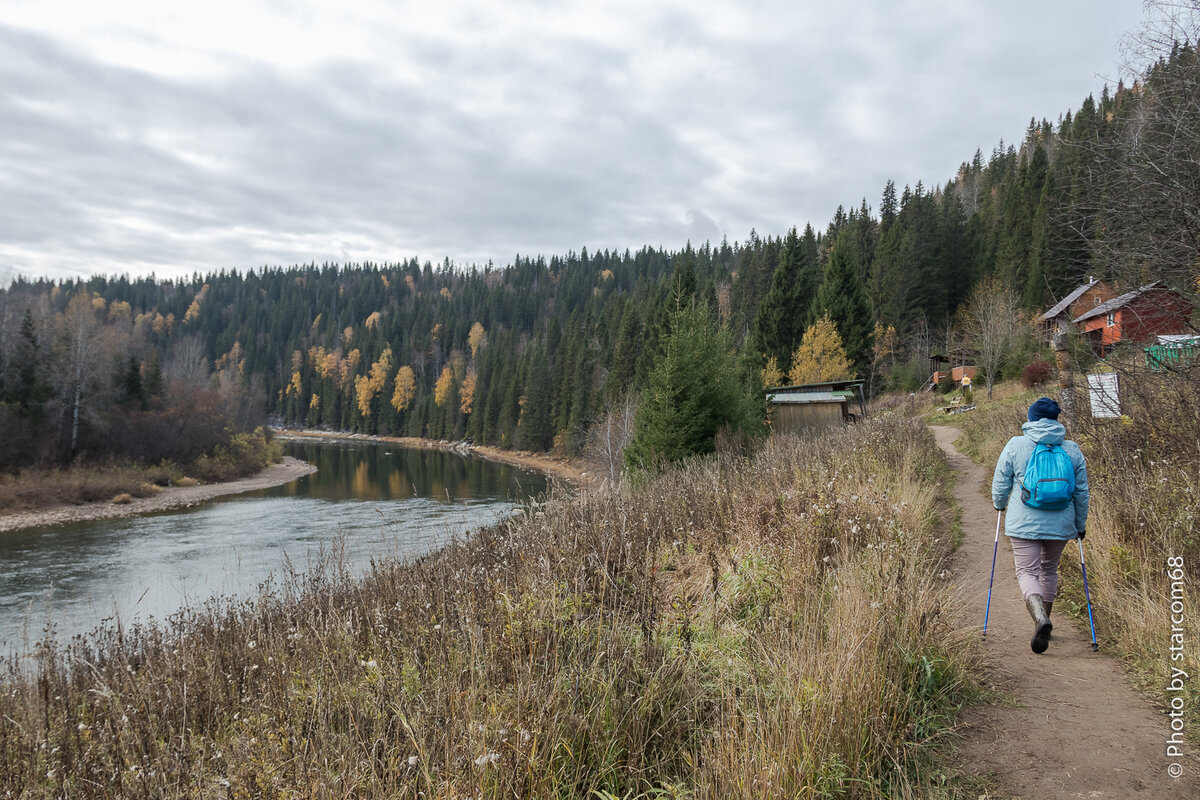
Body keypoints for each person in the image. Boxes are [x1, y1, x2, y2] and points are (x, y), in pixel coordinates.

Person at [991, 397, 1089, 654]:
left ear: (1031, 418)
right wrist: (1080, 525)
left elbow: (1002, 480)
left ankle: (1040, 620)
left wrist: (999, 504)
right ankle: (1046, 620)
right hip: (1061, 521)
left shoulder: (1016, 444)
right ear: (1057, 419)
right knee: (1049, 570)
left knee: (1027, 572)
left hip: (1024, 522)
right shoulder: (1072, 449)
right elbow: (1081, 492)